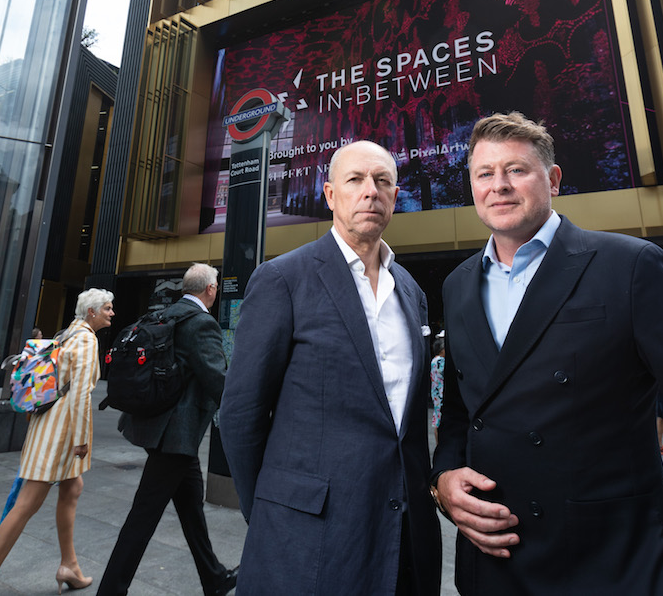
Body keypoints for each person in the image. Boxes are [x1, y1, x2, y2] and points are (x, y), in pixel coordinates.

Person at [432, 112, 663, 595]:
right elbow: (458, 415)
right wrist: (442, 478)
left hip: (613, 569)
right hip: (493, 573)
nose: (499, 185)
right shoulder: (457, 285)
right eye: (485, 174)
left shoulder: (630, 266)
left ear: (553, 180)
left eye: (517, 170)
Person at [221, 140, 440, 595]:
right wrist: (269, 506)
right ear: (329, 194)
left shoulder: (412, 292)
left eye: (382, 181)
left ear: (396, 197)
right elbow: (241, 415)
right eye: (355, 180)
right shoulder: (283, 279)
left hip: (404, 535)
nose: (370, 192)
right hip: (308, 537)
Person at [97, 263, 238, 596]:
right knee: (143, 516)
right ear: (210, 290)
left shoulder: (165, 314)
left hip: (161, 429)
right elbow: (219, 381)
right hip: (173, 435)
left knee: (191, 510)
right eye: (215, 285)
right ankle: (110, 590)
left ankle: (214, 577)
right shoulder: (201, 323)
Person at [0, 289, 114, 596]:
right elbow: (81, 394)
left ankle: (69, 566)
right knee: (26, 504)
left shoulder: (67, 333)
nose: (112, 313)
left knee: (73, 488)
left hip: (48, 424)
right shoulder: (86, 339)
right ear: (92, 313)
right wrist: (82, 440)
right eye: (108, 308)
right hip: (61, 431)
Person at [430, 336, 446, 441]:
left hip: (435, 392)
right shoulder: (441, 361)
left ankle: (437, 443)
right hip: (441, 393)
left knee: (436, 419)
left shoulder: (434, 360)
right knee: (441, 419)